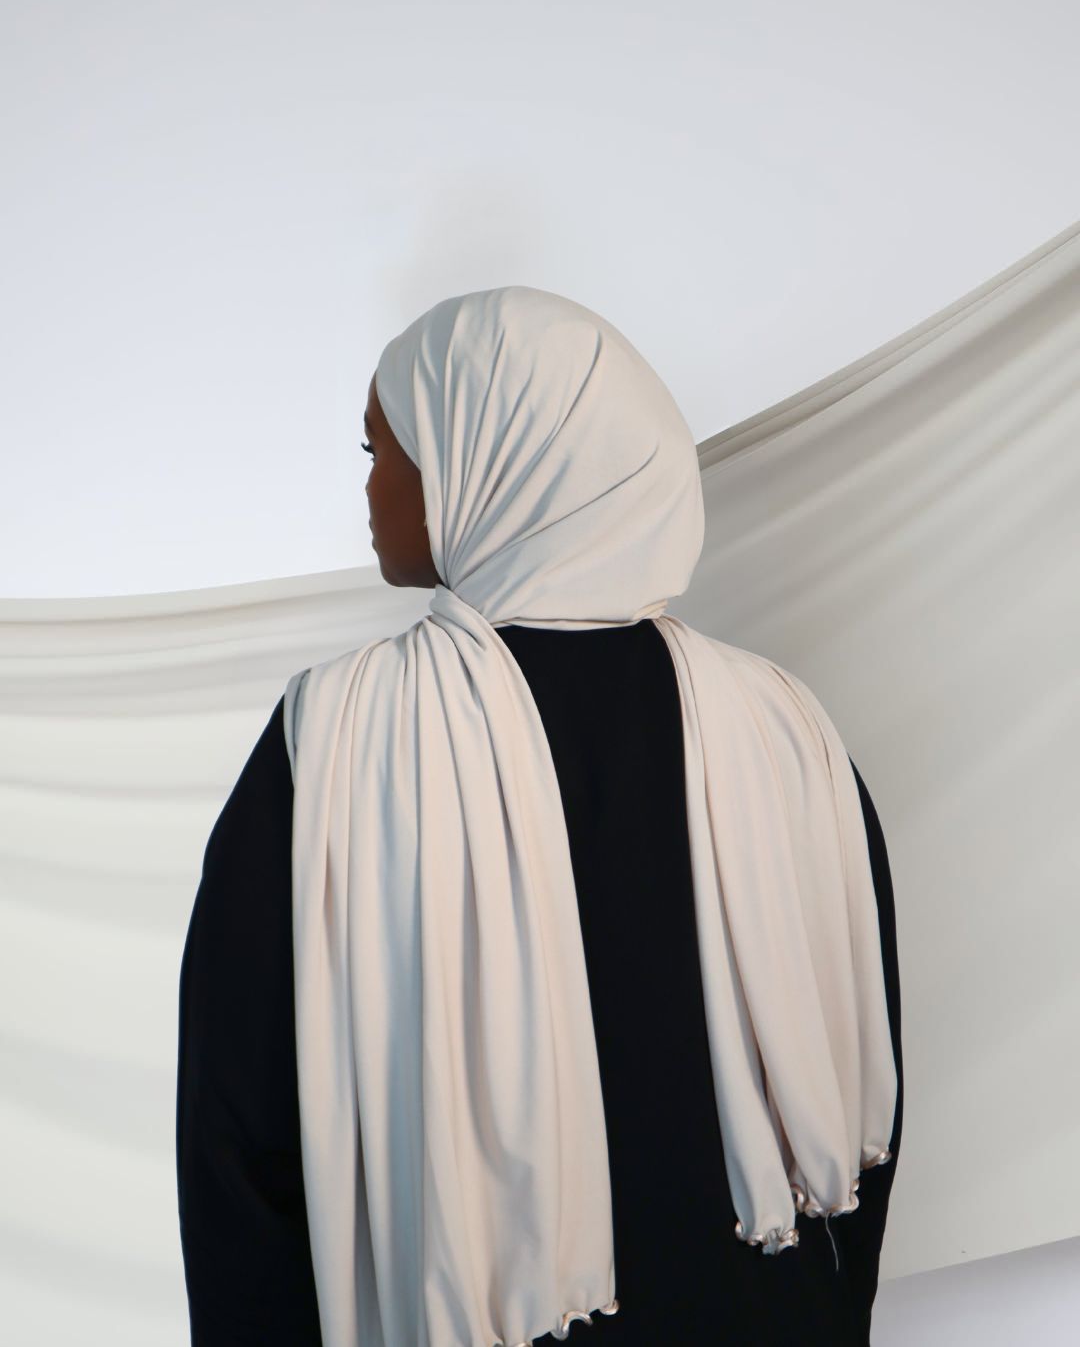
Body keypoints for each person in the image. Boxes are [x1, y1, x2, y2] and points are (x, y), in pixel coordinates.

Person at [176, 287, 903, 1346]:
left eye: (383, 448)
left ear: (484, 455)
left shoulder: (336, 740)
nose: (370, 486)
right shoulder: (789, 732)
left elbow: (239, 1139)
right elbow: (865, 1082)